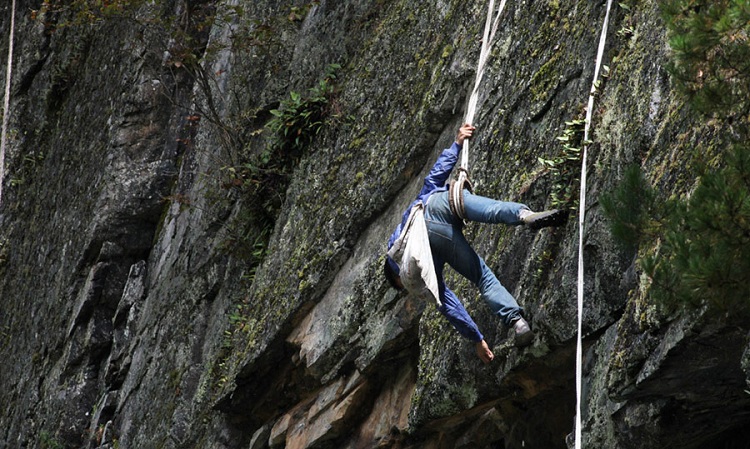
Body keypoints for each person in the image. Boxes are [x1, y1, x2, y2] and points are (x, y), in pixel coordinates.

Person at [384, 123, 566, 363]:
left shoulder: (414, 271)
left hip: (435, 241)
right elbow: (433, 179)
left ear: (398, 277)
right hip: (436, 204)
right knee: (493, 209)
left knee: (482, 277)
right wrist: (457, 143)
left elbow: (449, 306)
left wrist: (477, 338)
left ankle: (518, 323)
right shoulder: (399, 234)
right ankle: (526, 216)